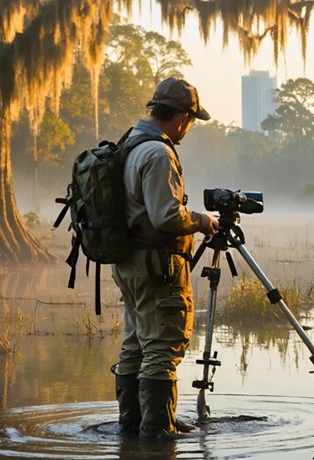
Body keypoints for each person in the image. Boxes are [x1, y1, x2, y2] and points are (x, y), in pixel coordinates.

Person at [112, 77, 219, 441]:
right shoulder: (158, 153)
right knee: (161, 348)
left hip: (128, 262)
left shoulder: (131, 144)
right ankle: (158, 431)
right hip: (156, 266)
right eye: (190, 120)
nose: (189, 128)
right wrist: (203, 221)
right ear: (181, 117)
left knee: (135, 344)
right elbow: (166, 216)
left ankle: (132, 425)